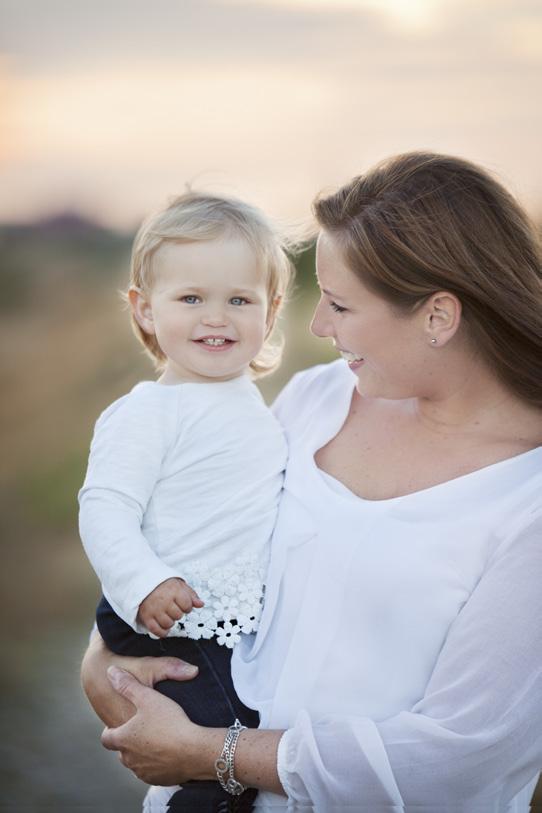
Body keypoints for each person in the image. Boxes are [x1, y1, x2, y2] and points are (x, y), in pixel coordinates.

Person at [81, 152, 542, 811]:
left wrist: (212, 754)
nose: (319, 326)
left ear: (438, 317)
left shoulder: (529, 499)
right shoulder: (318, 398)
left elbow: (455, 759)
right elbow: (204, 541)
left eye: (341, 305)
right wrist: (103, 656)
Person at [78, 192, 292, 810]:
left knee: (241, 731)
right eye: (191, 298)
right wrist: (147, 582)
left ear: (271, 313)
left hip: (227, 619)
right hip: (171, 615)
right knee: (217, 745)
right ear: (145, 311)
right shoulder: (149, 411)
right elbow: (105, 508)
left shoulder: (254, 404)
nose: (216, 318)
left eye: (240, 299)